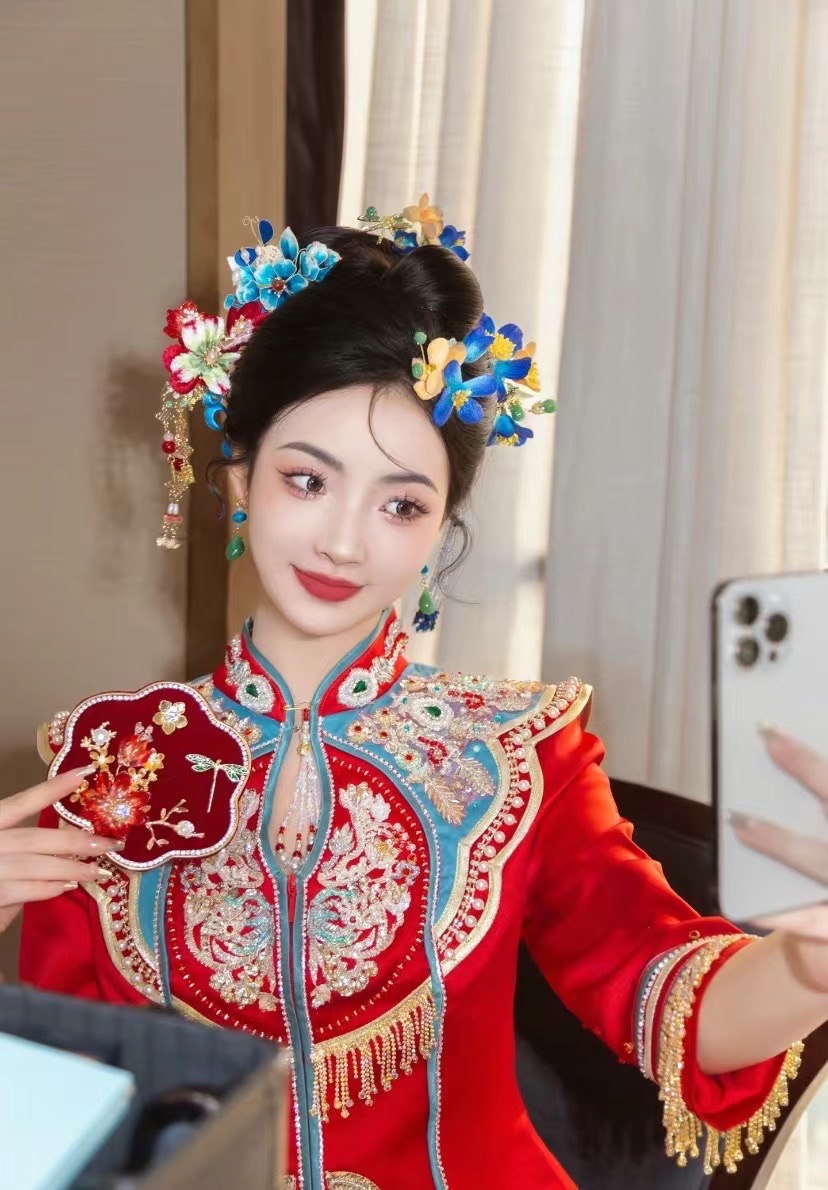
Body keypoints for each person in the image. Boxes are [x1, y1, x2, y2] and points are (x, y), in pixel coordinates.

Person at [3, 198, 828, 1190]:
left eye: (400, 503)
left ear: (441, 530)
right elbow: (64, 1100)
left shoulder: (520, 754)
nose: (345, 540)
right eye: (308, 481)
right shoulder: (113, 763)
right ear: (239, 477)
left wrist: (803, 970)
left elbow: (667, 991)